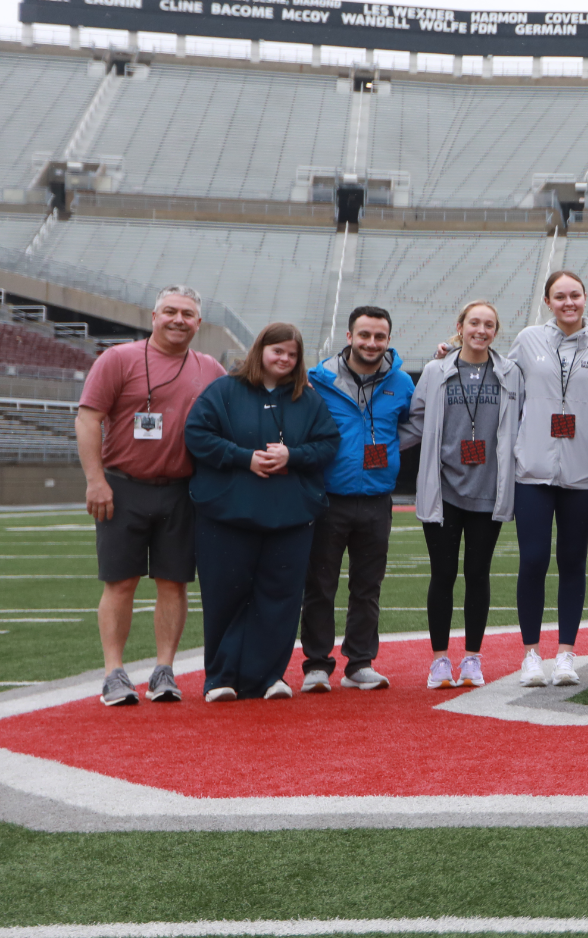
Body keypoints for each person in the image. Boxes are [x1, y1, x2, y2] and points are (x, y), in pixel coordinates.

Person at [75, 285, 226, 706]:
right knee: (120, 582)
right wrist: (95, 480)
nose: (179, 320)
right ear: (154, 316)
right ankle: (114, 673)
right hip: (122, 486)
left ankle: (164, 670)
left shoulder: (211, 368)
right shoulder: (118, 359)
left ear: (199, 322)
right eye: (170, 311)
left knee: (173, 583)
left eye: (188, 314)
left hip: (181, 490)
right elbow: (88, 419)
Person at [182, 323, 339, 701]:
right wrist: (243, 457)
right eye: (277, 351)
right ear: (260, 350)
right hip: (227, 514)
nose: (284, 359)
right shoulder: (223, 390)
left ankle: (269, 676)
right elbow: (197, 435)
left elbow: (328, 443)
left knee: (281, 597)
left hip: (290, 516)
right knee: (225, 594)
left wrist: (292, 456)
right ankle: (221, 677)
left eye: (292, 354)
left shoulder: (307, 399)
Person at [509, 270, 588, 687]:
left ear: (585, 297)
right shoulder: (527, 340)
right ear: (547, 302)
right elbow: (499, 376)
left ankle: (566, 655)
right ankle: (530, 655)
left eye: (575, 295)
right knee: (533, 560)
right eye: (560, 296)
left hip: (582, 472)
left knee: (573, 561)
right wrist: (451, 350)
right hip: (533, 470)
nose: (568, 302)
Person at [299, 306, 414, 693]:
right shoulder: (318, 379)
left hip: (378, 498)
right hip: (328, 497)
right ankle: (317, 664)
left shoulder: (401, 382)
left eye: (380, 336)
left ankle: (360, 662)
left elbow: (412, 423)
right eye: (364, 335)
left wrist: (389, 450)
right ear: (349, 336)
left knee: (367, 587)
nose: (371, 343)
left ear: (388, 340)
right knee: (320, 585)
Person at [407, 300, 521, 691]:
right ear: (460, 327)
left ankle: (472, 658)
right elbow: (416, 421)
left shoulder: (510, 373)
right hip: (443, 490)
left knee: (477, 573)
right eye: (474, 322)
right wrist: (377, 452)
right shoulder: (436, 370)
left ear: (496, 331)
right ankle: (440, 660)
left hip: (488, 490)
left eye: (489, 324)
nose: (481, 330)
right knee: (443, 574)